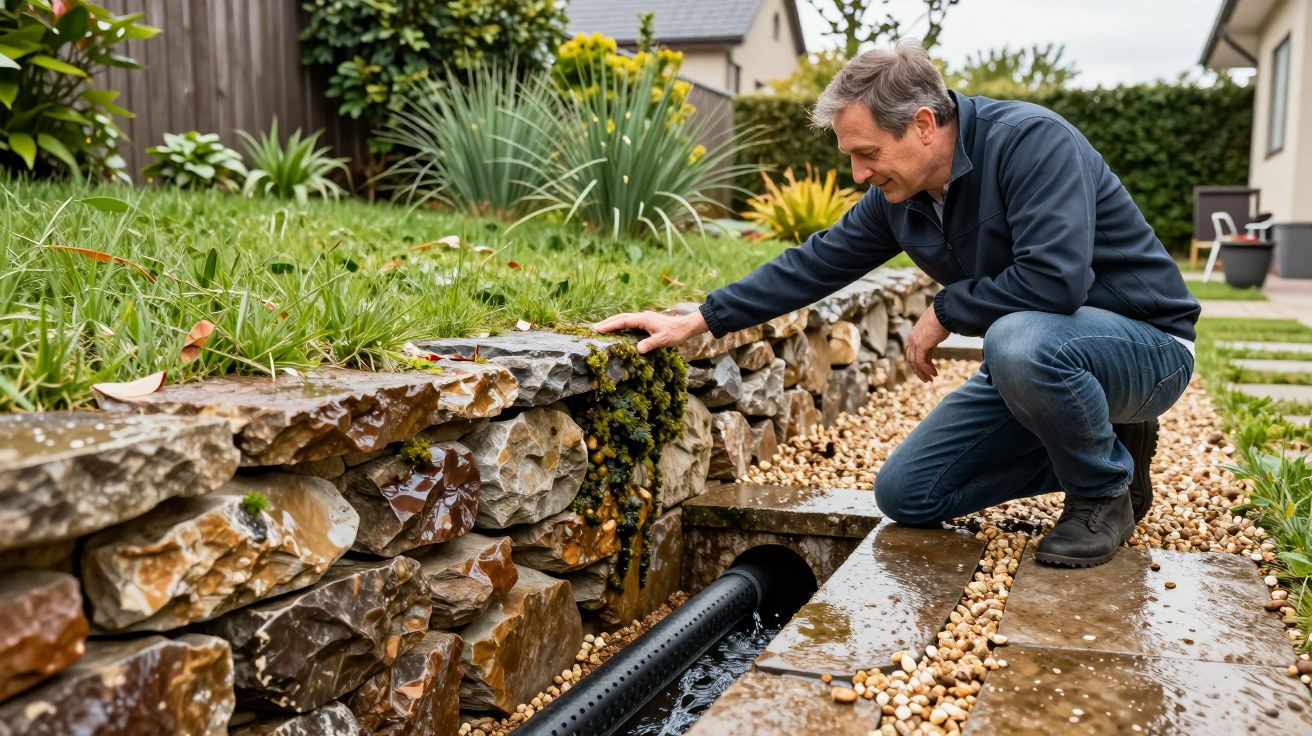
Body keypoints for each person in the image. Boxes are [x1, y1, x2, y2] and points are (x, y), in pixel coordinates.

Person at [592, 39, 1199, 568]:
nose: (858, 173)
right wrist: (699, 319)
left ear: (924, 124)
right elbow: (817, 261)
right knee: (908, 495)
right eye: (851, 156)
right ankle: (1113, 445)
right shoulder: (901, 195)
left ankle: (1102, 494)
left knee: (1015, 341)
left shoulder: (1032, 144)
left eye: (868, 153)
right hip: (1046, 360)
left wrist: (946, 310)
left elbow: (1055, 281)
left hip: (1146, 347)